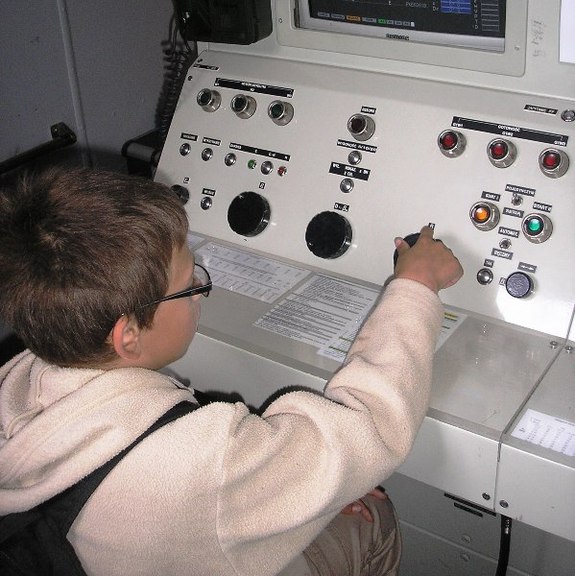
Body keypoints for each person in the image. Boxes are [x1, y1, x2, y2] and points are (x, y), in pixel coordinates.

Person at [0, 167, 463, 576]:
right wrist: (416, 284)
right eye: (189, 286)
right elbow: (369, 424)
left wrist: (294, 495)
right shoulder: (203, 463)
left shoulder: (20, 378)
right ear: (128, 337)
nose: (201, 291)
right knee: (374, 521)